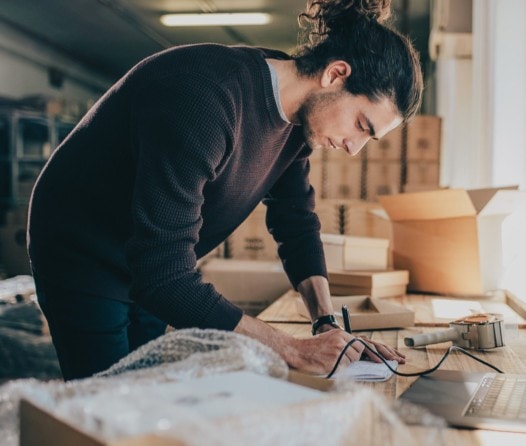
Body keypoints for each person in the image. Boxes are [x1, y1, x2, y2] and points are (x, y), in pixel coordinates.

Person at [27, 0, 423, 380]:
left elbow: (296, 222)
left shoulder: (298, 120)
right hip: (82, 250)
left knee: (141, 389)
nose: (355, 148)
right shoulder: (207, 98)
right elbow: (163, 277)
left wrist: (326, 325)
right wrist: (291, 349)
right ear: (336, 75)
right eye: (361, 126)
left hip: (147, 258)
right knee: (103, 408)